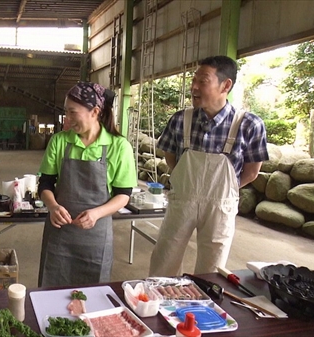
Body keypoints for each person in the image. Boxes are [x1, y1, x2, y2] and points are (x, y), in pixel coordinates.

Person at [149, 55, 269, 277]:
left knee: (212, 269)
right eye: (194, 80)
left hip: (220, 206)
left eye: (202, 81)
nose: (194, 87)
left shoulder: (250, 124)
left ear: (226, 85)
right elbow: (170, 156)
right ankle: (157, 302)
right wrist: (185, 181)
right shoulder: (180, 120)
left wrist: (227, 189)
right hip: (182, 199)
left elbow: (252, 172)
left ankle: (202, 308)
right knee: (165, 257)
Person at [37, 82, 137, 287]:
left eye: (73, 112)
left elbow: (123, 194)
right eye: (66, 112)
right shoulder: (59, 141)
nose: (67, 119)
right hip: (60, 233)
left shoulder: (119, 146)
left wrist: (96, 214)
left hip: (96, 236)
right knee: (53, 289)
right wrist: (53, 206)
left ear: (95, 112)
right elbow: (45, 183)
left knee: (92, 295)